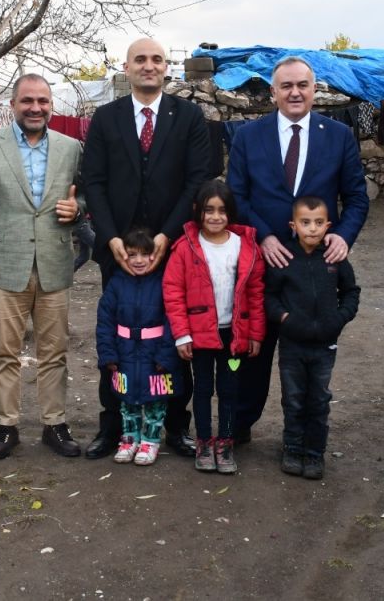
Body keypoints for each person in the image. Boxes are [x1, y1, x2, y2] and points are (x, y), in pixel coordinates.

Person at [226, 55, 368, 444]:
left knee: (309, 361)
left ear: (314, 90)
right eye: (286, 86)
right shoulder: (248, 136)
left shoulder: (338, 135)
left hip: (315, 272)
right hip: (261, 262)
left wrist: (344, 236)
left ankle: (304, 439)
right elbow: (237, 196)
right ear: (273, 92)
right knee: (253, 350)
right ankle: (238, 427)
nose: (294, 92)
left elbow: (357, 198)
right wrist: (264, 236)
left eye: (302, 85)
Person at [80, 37, 212, 459]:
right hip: (119, 252)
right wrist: (110, 238)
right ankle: (113, 426)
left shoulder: (189, 116)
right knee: (119, 338)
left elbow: (197, 180)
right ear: (127, 67)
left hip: (172, 250)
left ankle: (175, 425)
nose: (149, 65)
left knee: (174, 337)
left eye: (157, 59)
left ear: (166, 67)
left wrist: (167, 236)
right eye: (140, 59)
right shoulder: (106, 118)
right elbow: (93, 181)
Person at [0, 74, 84, 460]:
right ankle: (6, 426)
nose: (35, 108)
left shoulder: (71, 148)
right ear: (12, 105)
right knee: (5, 352)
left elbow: (86, 195)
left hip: (54, 264)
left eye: (43, 101)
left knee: (55, 351)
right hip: (3, 267)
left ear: (51, 105)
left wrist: (78, 209)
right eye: (27, 100)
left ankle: (55, 424)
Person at [163, 180, 265, 475]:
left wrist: (255, 333)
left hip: (233, 335)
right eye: (209, 210)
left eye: (222, 210)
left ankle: (226, 443)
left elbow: (256, 293)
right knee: (203, 389)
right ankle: (204, 442)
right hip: (200, 336)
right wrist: (182, 334)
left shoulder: (245, 246)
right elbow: (173, 292)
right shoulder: (185, 248)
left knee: (230, 390)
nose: (216, 216)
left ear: (230, 212)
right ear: (198, 211)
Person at [263, 196, 360, 481]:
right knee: (293, 399)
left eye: (319, 223)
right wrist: (285, 318)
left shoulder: (334, 258)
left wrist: (339, 319)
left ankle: (315, 452)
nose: (313, 228)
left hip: (324, 346)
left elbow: (351, 292)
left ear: (328, 225)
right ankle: (292, 449)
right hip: (292, 345)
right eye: (305, 222)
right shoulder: (284, 259)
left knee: (318, 400)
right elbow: (269, 296)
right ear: (293, 225)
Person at [95, 227, 180, 466]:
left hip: (154, 354)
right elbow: (105, 320)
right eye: (132, 254)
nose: (139, 260)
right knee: (127, 401)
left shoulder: (164, 281)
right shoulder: (116, 283)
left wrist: (166, 355)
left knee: (156, 401)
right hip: (125, 353)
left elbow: (172, 320)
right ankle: (129, 439)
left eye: (145, 254)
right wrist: (108, 353)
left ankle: (150, 440)